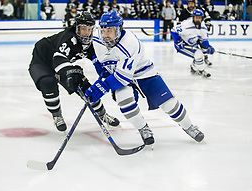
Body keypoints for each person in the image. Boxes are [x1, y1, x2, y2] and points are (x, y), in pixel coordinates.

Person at [85, 11, 205, 145]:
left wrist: (103, 86)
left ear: (119, 29)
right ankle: (143, 128)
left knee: (168, 104)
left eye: (109, 30)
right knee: (124, 99)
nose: (105, 35)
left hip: (142, 73)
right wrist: (98, 63)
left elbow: (122, 78)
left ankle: (189, 127)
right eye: (103, 30)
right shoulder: (97, 37)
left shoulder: (129, 43)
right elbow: (93, 52)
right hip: (119, 74)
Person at [29, 12, 119, 132]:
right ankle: (57, 116)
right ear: (76, 27)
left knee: (85, 86)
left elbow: (99, 60)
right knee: (48, 82)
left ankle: (102, 114)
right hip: (42, 61)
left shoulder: (90, 43)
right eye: (83, 29)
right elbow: (58, 58)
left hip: (60, 63)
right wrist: (69, 73)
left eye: (89, 29)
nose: (86, 33)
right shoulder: (69, 39)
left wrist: (109, 73)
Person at [170, 9, 215, 78]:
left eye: (199, 18)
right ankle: (201, 70)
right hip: (183, 45)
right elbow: (173, 30)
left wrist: (208, 47)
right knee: (198, 54)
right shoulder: (186, 25)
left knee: (200, 55)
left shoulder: (203, 28)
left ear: (202, 18)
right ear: (193, 17)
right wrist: (178, 41)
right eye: (196, 17)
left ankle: (194, 68)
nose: (197, 19)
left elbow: (203, 41)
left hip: (192, 45)